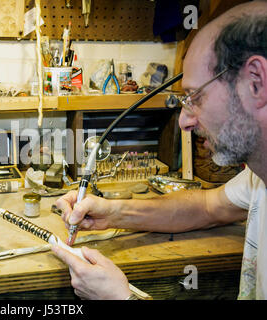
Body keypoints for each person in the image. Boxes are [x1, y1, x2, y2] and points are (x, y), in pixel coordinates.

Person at [51, 1, 267, 300]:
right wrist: (112, 213)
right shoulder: (259, 176)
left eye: (195, 97)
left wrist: (120, 298)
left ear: (256, 80)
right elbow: (208, 207)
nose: (184, 122)